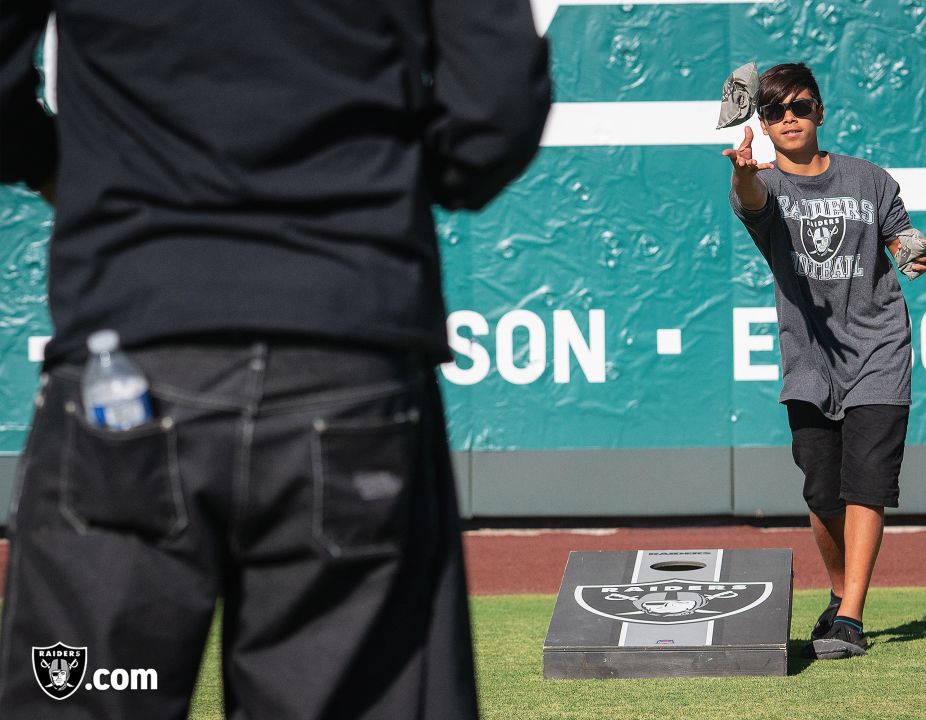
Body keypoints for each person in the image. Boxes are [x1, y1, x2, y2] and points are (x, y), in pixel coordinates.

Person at [0, 0, 550, 717]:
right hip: (345, 356)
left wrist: (52, 163)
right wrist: (377, 195)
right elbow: (496, 110)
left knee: (80, 697)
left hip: (133, 356)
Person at [725, 63, 926, 658]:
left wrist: (915, 252)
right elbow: (752, 201)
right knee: (823, 493)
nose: (788, 117)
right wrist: (742, 174)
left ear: (821, 111)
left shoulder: (871, 179)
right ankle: (840, 595)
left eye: (800, 106)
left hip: (880, 349)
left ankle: (851, 617)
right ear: (762, 124)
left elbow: (902, 241)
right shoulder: (763, 183)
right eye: (774, 111)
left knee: (866, 485)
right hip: (810, 360)